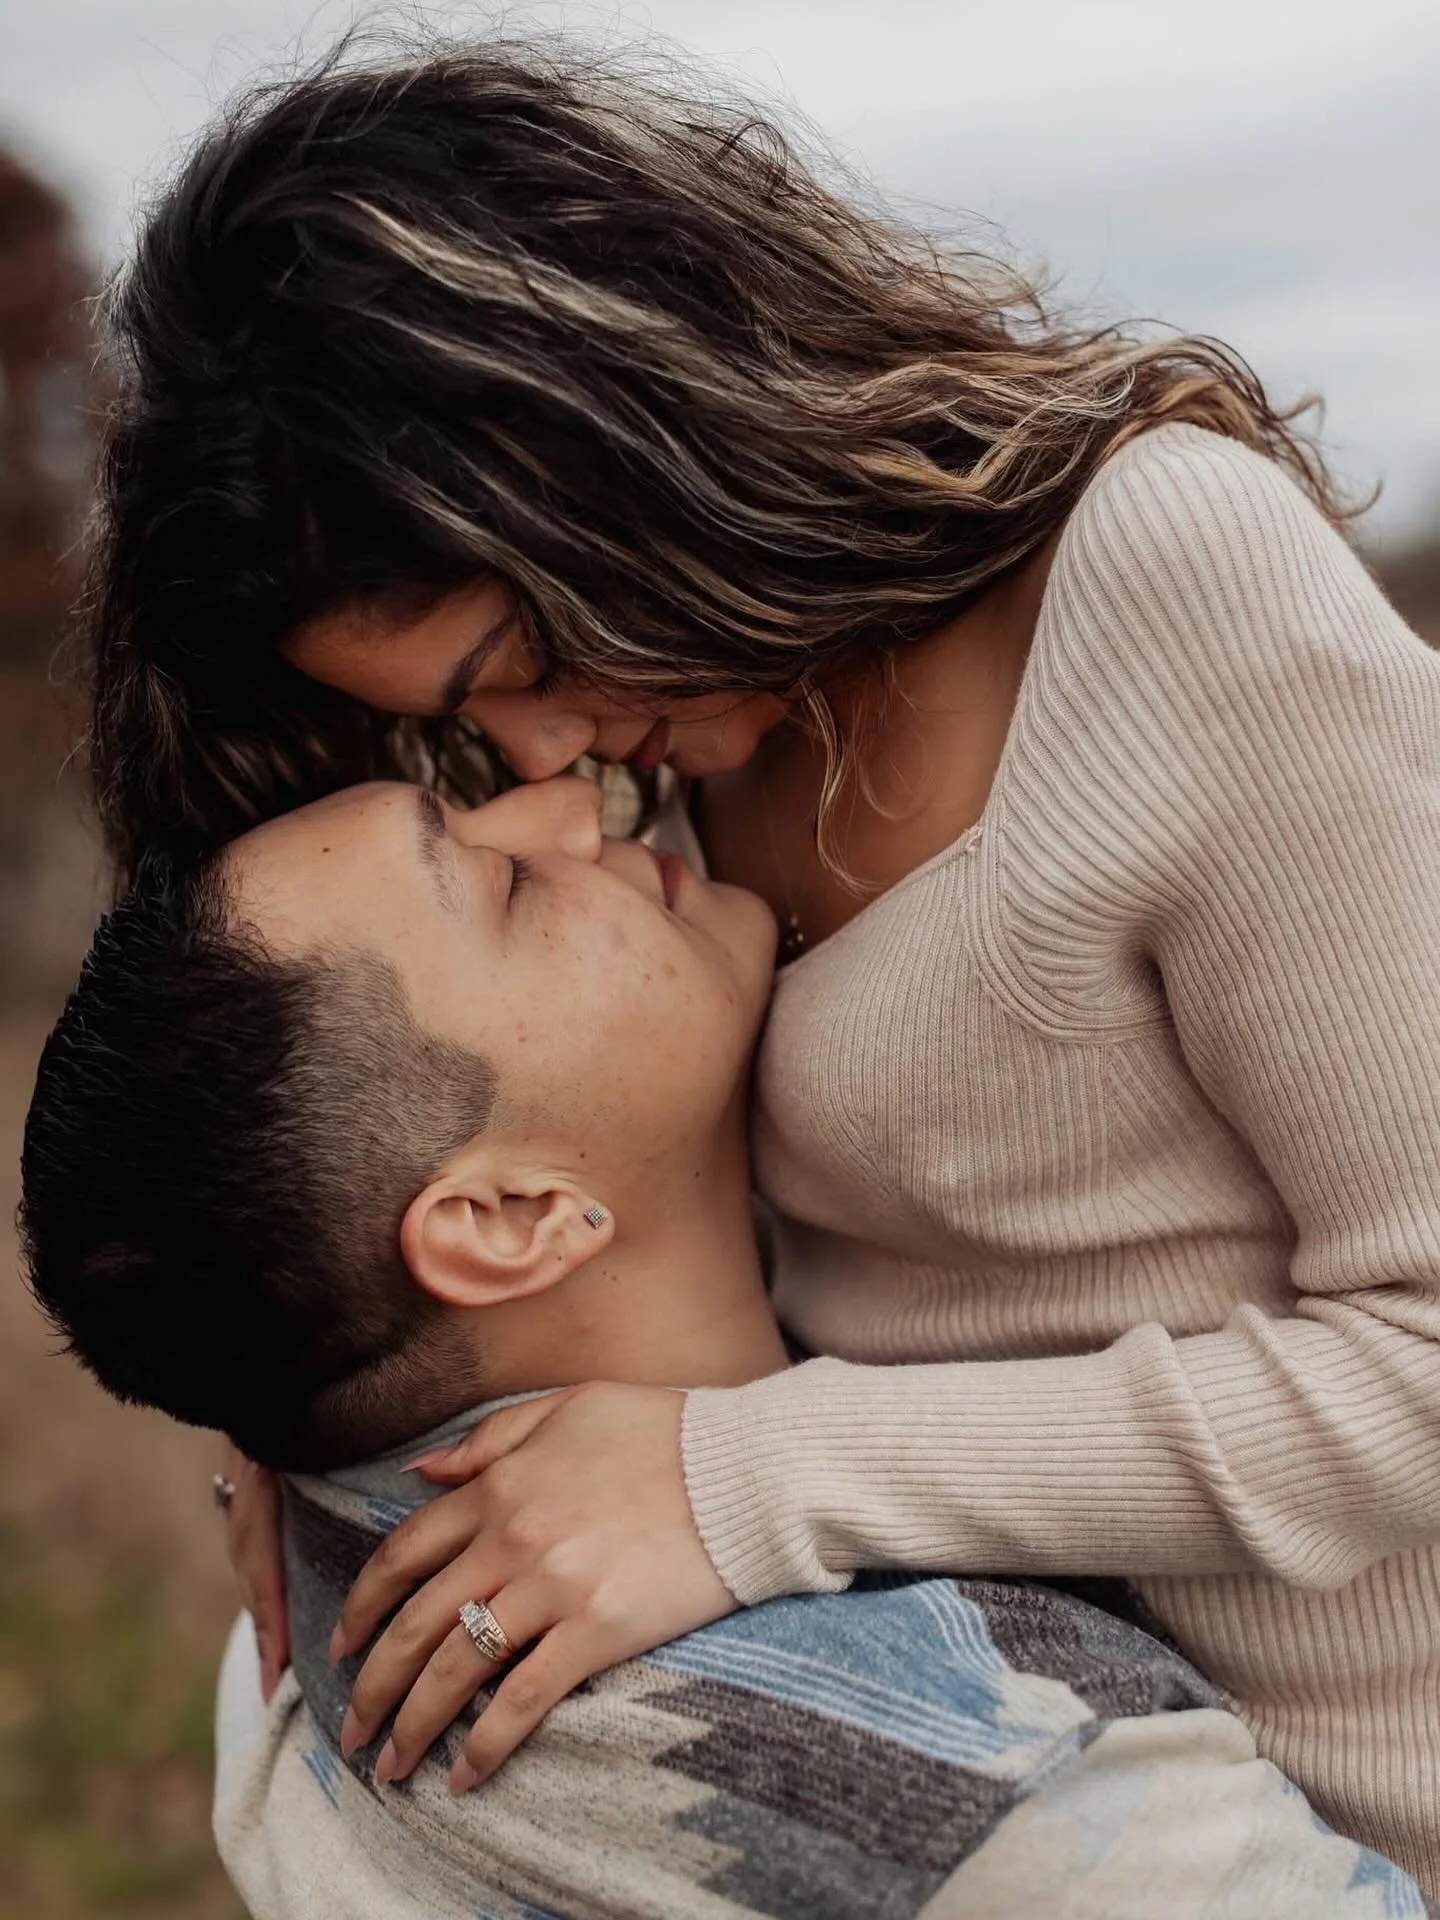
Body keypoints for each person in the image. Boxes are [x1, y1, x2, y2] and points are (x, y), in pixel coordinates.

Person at [82, 35, 1440, 1892]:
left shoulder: (1166, 588)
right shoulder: (666, 740)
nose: (547, 763)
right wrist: (288, 1409)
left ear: (628, 455)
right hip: (950, 1772)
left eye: (521, 668)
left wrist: (759, 1481)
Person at [24, 776, 1423, 1920]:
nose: (568, 812)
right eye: (502, 883)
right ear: (510, 1219)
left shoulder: (300, 1599)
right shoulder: (981, 1783)